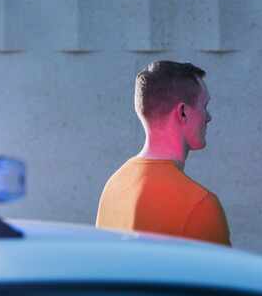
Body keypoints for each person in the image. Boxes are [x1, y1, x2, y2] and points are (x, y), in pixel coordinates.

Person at [96, 60, 230, 246]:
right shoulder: (201, 206)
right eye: (204, 106)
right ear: (183, 112)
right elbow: (219, 275)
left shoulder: (114, 185)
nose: (208, 117)